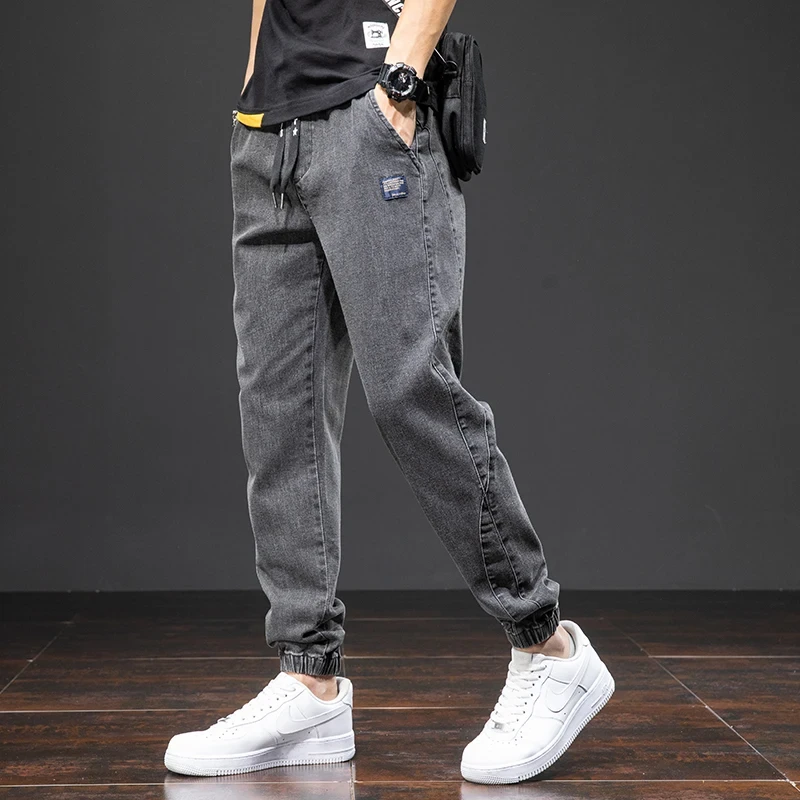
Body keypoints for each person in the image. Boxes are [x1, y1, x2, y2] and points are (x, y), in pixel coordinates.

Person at [164, 0, 614, 784]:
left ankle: (548, 646)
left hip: (368, 107)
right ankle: (309, 679)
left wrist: (399, 82)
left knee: (411, 392)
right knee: (277, 411)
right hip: (269, 129)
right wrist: (256, 79)